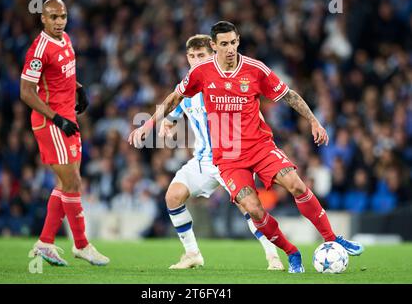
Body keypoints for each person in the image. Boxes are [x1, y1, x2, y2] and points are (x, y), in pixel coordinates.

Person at [129, 21, 364, 273]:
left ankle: (331, 237)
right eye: (224, 44)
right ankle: (290, 252)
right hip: (227, 157)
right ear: (214, 45)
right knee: (253, 209)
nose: (230, 49)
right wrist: (148, 125)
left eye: (233, 42)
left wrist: (314, 121)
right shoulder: (201, 73)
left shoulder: (255, 69)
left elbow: (289, 95)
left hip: (260, 147)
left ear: (238, 40)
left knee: (296, 184)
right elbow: (175, 99)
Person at [158, 34, 283, 270]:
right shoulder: (186, 89)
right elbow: (174, 111)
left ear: (213, 55)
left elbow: (252, 112)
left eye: (201, 56)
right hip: (203, 160)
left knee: (249, 207)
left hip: (232, 159)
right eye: (192, 56)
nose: (196, 61)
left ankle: (272, 255)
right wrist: (167, 122)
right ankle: (192, 254)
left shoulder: (224, 86)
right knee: (172, 196)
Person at [21, 0, 109, 266]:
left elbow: (61, 75)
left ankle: (45, 243)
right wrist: (56, 118)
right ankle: (81, 245)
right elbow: (26, 92)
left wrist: (78, 87)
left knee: (66, 184)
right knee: (73, 183)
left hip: (68, 117)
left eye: (63, 16)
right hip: (51, 122)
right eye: (54, 17)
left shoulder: (66, 39)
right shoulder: (39, 50)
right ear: (43, 19)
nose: (59, 22)